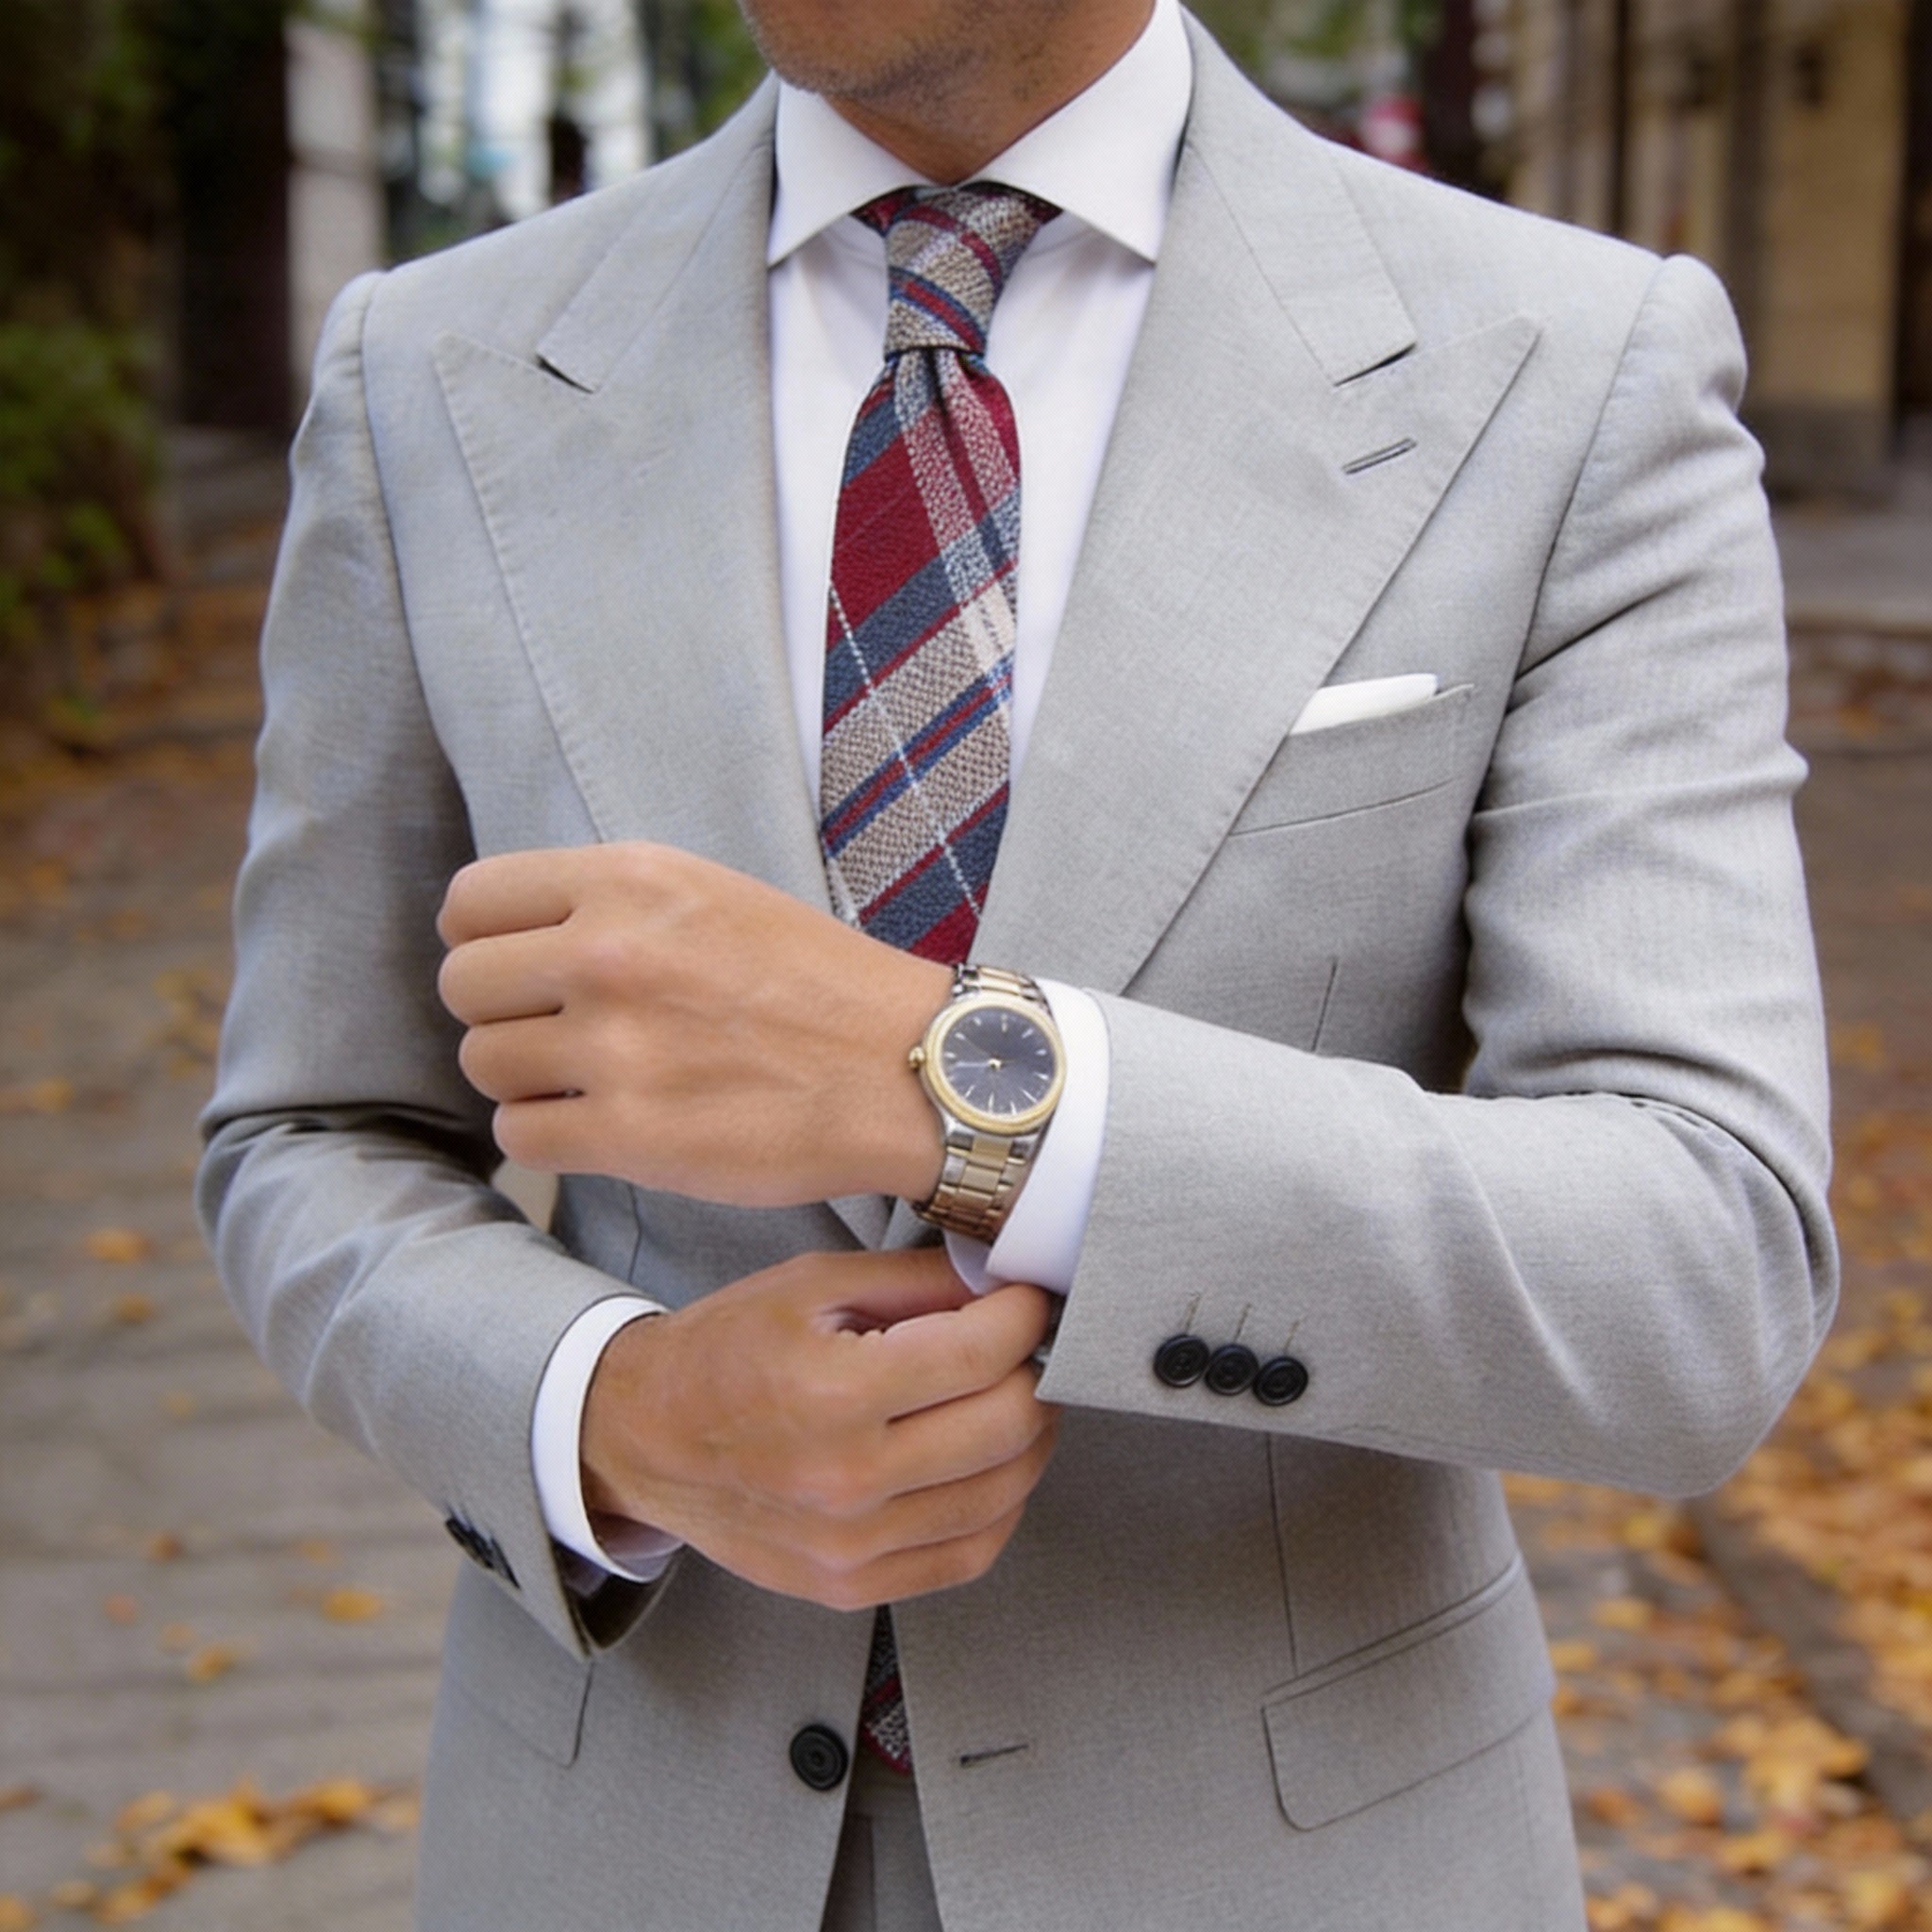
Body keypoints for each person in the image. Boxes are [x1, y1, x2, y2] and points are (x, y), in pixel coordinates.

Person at [198, 0, 1838, 1925]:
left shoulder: (1567, 369)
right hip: (617, 1837)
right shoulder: (435, 371)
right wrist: (608, 1412)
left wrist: (958, 1081)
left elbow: (1699, 1264)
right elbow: (308, 1134)